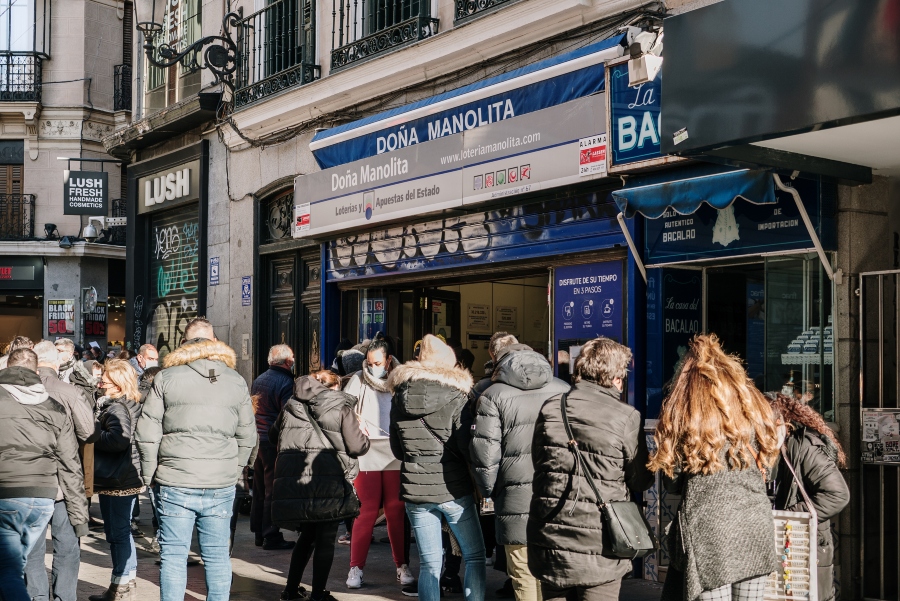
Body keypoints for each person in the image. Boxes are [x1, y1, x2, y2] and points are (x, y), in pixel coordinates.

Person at [648, 334, 780, 601]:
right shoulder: (754, 406)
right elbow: (769, 469)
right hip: (754, 527)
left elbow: (672, 483)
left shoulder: (684, 412)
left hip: (708, 532)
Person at [134, 317, 256, 601]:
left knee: (174, 557)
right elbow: (249, 436)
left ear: (182, 344)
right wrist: (234, 469)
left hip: (175, 479)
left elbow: (146, 432)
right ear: (214, 342)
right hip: (220, 482)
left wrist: (151, 474)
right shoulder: (234, 380)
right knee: (216, 558)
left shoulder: (166, 377)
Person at [527, 337, 652, 601]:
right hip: (600, 542)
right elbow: (641, 480)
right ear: (617, 376)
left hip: (550, 535)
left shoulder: (552, 407)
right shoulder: (626, 416)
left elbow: (539, 461)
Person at [389, 335, 485, 601]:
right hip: (453, 487)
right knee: (475, 556)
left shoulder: (400, 396)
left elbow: (398, 450)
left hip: (416, 490)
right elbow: (466, 447)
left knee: (430, 564)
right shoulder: (458, 395)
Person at [471, 339, 569, 601]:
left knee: (523, 572)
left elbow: (486, 454)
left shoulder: (492, 395)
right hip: (558, 494)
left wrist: (488, 491)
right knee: (553, 573)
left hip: (514, 497)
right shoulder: (563, 390)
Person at [271, 370, 370, 601]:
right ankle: (318, 594)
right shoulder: (342, 407)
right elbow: (357, 447)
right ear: (335, 387)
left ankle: (290, 589)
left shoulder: (290, 405)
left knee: (307, 536)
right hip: (329, 479)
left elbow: (272, 436)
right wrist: (363, 434)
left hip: (297, 479)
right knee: (325, 537)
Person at [0, 349, 88, 601]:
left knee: (10, 570)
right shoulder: (55, 407)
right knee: (16, 566)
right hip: (43, 498)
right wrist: (79, 517)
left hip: (7, 494)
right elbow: (70, 464)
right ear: (36, 372)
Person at [24, 341, 100, 601]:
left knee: (32, 548)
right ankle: (65, 597)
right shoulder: (69, 391)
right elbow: (89, 432)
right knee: (66, 546)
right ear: (57, 364)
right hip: (64, 480)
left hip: (29, 479)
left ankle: (37, 596)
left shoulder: (17, 391)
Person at [343, 336, 414, 589]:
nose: (373, 366)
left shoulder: (403, 380)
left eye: (378, 362)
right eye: (370, 362)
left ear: (389, 360)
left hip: (395, 451)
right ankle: (355, 568)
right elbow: (343, 410)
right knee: (366, 512)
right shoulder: (357, 380)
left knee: (396, 510)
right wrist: (355, 421)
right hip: (368, 450)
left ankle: (401, 565)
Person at [766, 393, 849, 601]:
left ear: (781, 424)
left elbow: (837, 495)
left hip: (805, 546)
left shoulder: (805, 447)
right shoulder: (767, 449)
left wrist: (790, 516)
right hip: (780, 543)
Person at [89, 359, 144, 601]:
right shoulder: (128, 404)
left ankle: (119, 586)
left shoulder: (116, 408)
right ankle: (125, 581)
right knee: (122, 533)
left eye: (105, 379)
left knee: (117, 533)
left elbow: (117, 440)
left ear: (118, 384)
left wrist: (93, 431)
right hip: (126, 476)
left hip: (117, 478)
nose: (100, 382)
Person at [250, 344, 297, 550]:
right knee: (271, 489)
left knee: (259, 488)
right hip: (272, 440)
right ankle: (271, 534)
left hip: (258, 438)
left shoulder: (259, 379)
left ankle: (259, 532)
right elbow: (287, 415)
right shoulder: (286, 382)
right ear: (287, 362)